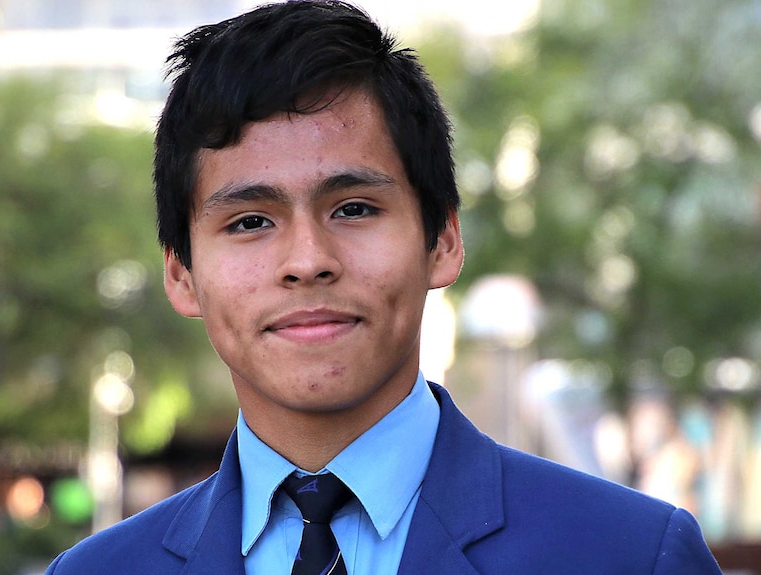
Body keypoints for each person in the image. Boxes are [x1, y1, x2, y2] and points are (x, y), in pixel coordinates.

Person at [46, 1, 722, 573]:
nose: (307, 260)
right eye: (251, 221)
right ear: (181, 273)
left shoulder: (630, 555)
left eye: (354, 208)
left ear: (444, 240)